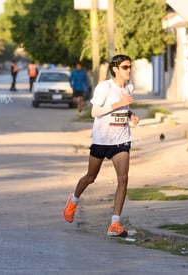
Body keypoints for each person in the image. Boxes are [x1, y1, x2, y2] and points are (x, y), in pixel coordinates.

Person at [63, 54, 140, 237]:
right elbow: (94, 112)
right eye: (125, 67)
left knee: (123, 179)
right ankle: (73, 200)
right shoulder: (104, 87)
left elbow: (125, 109)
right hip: (101, 140)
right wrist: (118, 103)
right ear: (115, 69)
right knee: (90, 177)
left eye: (130, 67)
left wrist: (131, 116)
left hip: (121, 140)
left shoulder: (129, 87)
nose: (129, 70)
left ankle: (114, 224)